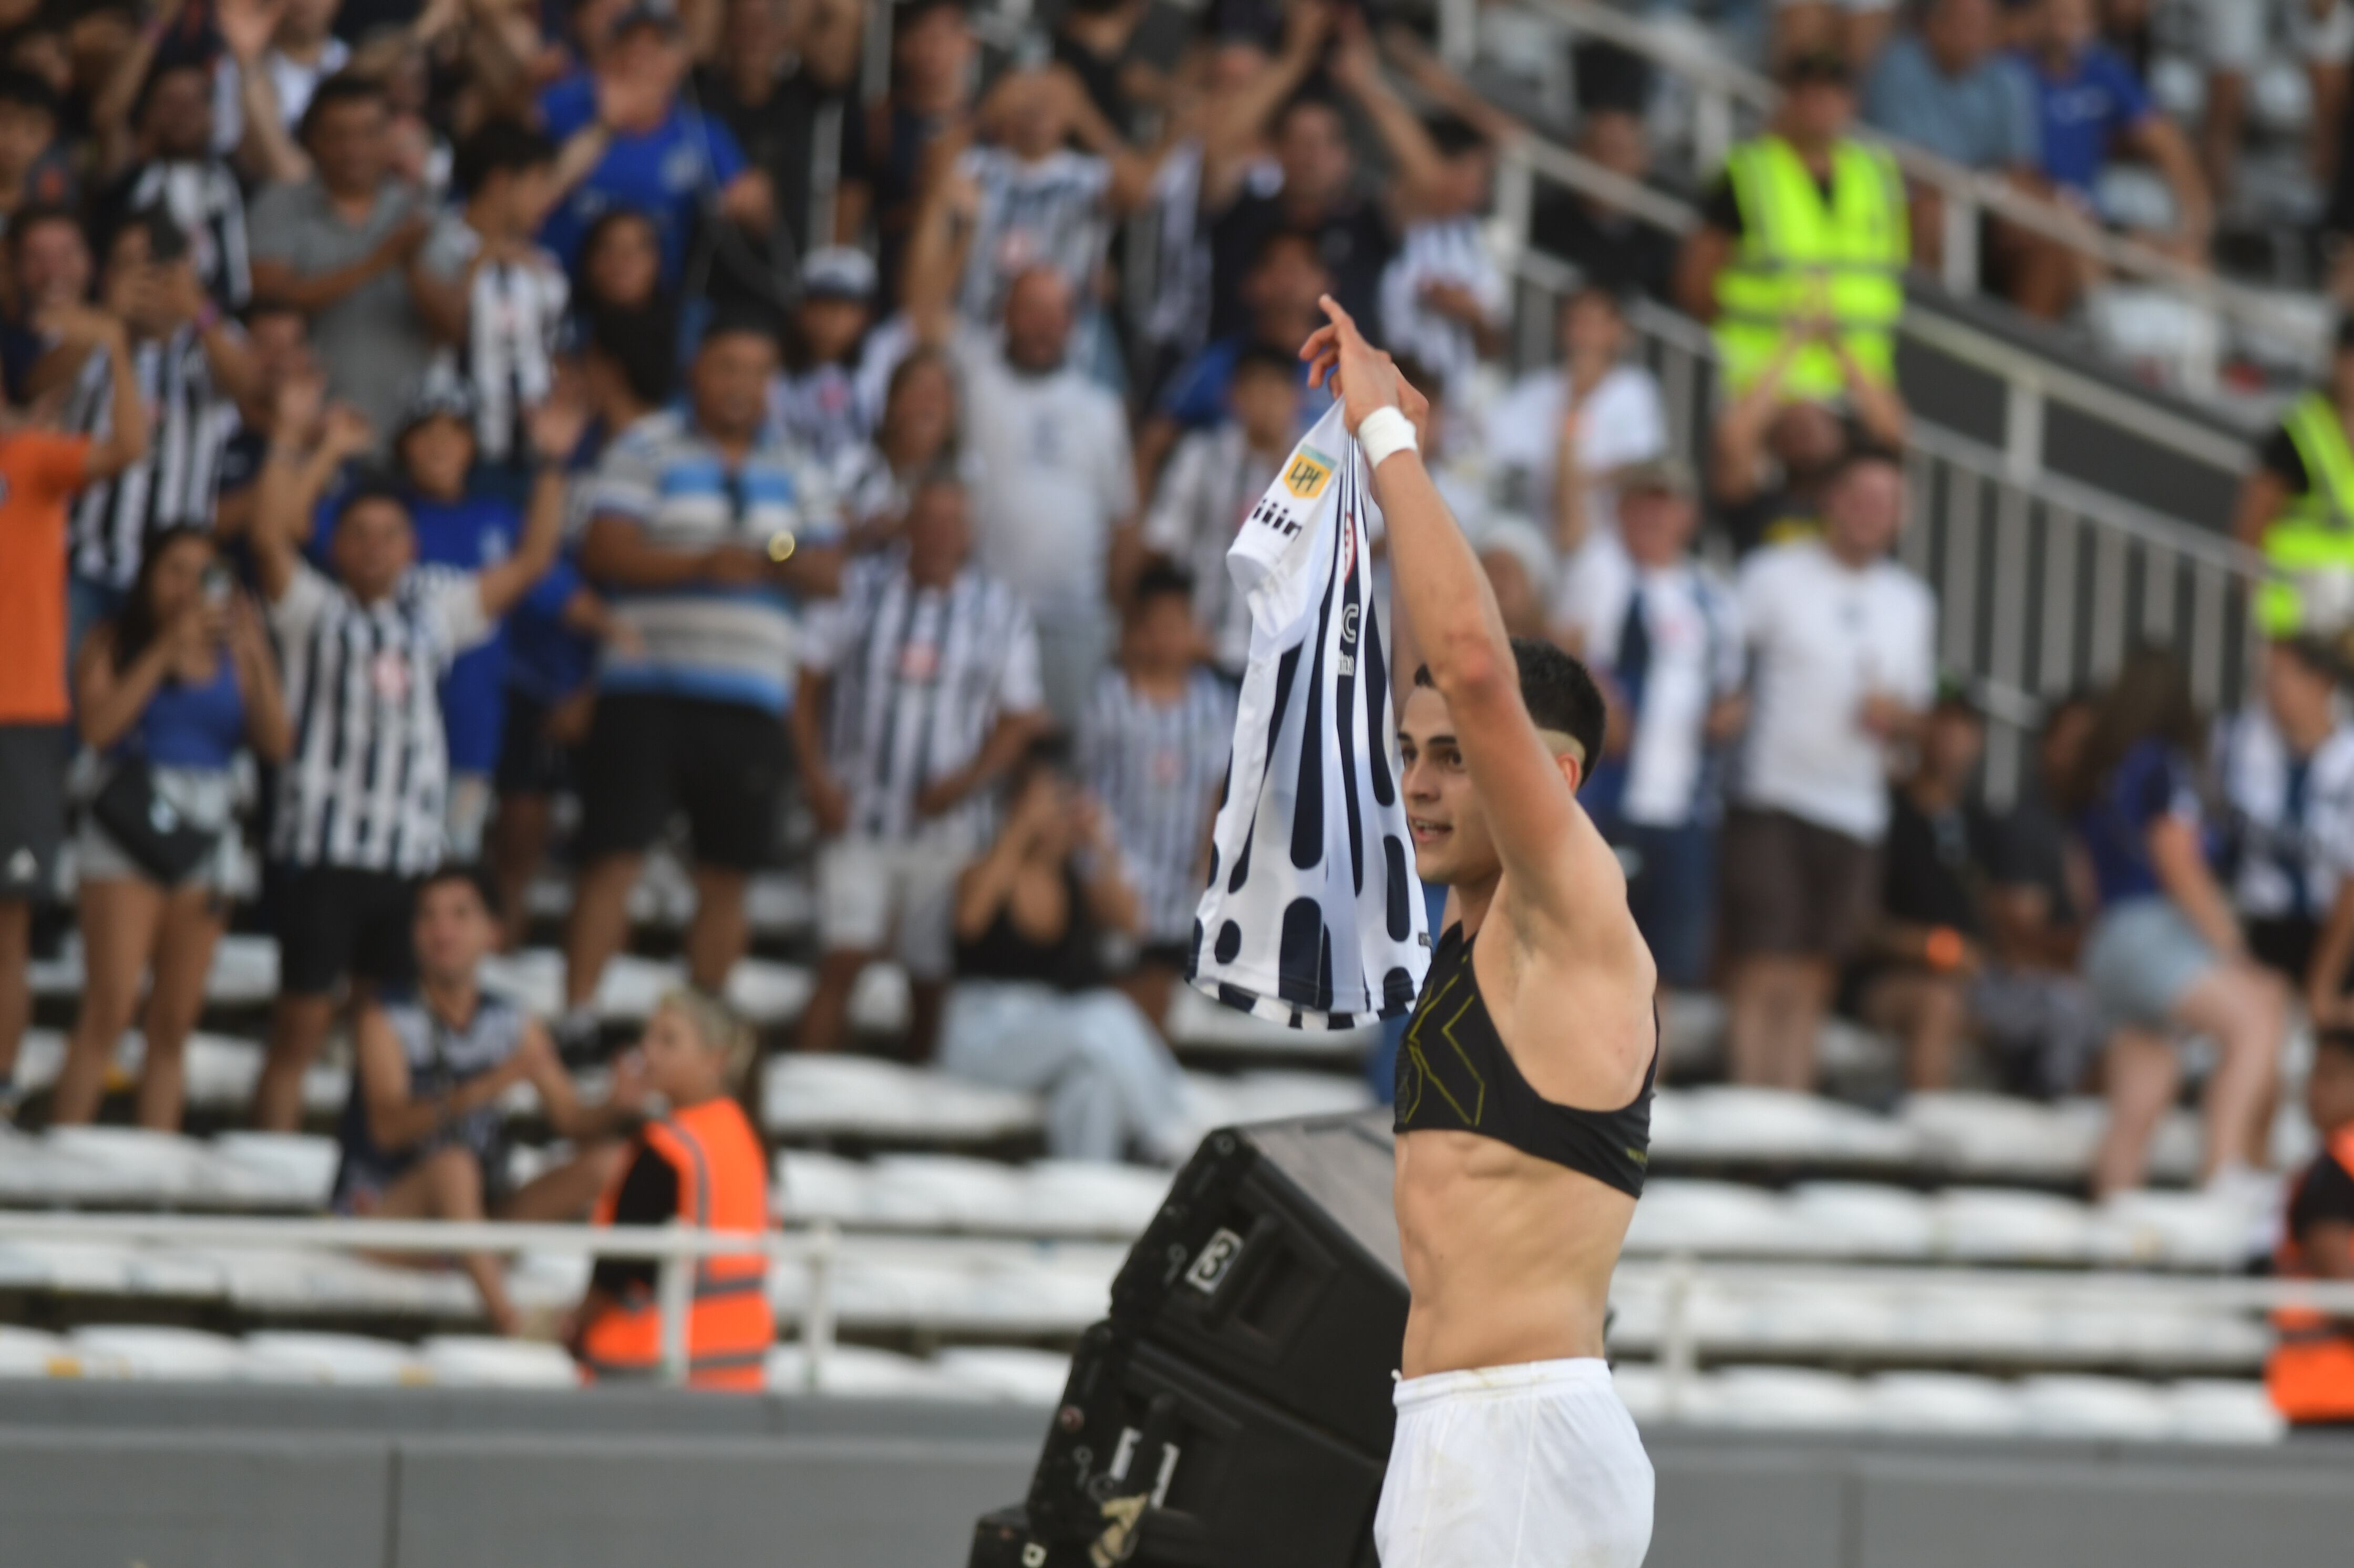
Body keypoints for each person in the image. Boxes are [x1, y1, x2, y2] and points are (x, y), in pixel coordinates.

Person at [1298, 297, 1653, 1567]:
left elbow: (1472, 661)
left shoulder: (1573, 909)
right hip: (1453, 1432)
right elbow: (1439, 652)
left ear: (1549, 781)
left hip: (1519, 1437)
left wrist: (1390, 429)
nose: (1421, 782)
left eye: (1457, 760)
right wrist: (1403, 485)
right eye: (1410, 756)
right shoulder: (1480, 933)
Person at [244, 375, 574, 1130]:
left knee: (381, 1031)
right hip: (326, 851)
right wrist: (299, 446)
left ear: (411, 547)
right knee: (298, 1026)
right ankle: (267, 1167)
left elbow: (528, 563)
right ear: (336, 543)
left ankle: (362, 1160)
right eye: (359, 535)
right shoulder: (312, 611)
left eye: (389, 536)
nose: (373, 548)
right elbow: (266, 538)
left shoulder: (436, 617)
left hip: (409, 860)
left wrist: (552, 464)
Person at [561, 312, 844, 1052]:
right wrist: (696, 564)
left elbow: (830, 569)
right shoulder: (646, 444)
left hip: (748, 697)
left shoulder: (798, 464)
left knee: (728, 873)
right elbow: (602, 547)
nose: (742, 386)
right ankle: (579, 1016)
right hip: (644, 685)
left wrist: (777, 559)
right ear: (697, 372)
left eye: (757, 371)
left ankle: (704, 1029)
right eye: (727, 368)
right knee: (613, 855)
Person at [790, 472, 1048, 1057]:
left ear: (968, 533)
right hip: (856, 814)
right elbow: (804, 684)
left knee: (931, 977)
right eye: (927, 519)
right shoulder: (857, 589)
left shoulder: (1001, 610)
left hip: (950, 831)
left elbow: (1019, 719)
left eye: (951, 523)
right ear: (908, 525)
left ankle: (918, 1100)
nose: (938, 534)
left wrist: (965, 782)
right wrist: (815, 781)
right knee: (842, 957)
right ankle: (802, 1094)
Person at [337, 864, 644, 1333]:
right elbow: (388, 1127)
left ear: (493, 933)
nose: (443, 930)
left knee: (615, 1162)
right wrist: (491, 1084)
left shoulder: (511, 1018)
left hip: (478, 1215)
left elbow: (571, 1118)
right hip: (387, 1216)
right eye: (429, 916)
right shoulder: (384, 1015)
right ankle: (513, 1323)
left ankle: (602, 1316)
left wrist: (614, 1103)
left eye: (460, 915)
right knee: (454, 1165)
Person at [53, 527, 289, 1128]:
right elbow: (99, 729)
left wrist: (255, 651)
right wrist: (165, 647)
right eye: (175, 570)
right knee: (110, 1006)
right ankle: (63, 1156)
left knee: (175, 1019)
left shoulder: (236, 650)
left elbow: (277, 741)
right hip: (128, 824)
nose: (189, 586)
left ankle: (154, 1166)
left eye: (204, 572)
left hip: (208, 832)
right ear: (149, 577)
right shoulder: (115, 639)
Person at [1722, 446, 1937, 1090]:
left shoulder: (1911, 601)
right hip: (1771, 790)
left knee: (1816, 971)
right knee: (1764, 961)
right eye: (1859, 496)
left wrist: (1895, 720)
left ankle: (1784, 1127)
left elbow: (1917, 714)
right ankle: (1749, 1118)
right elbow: (1725, 671)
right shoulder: (1770, 573)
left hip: (1856, 805)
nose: (1870, 512)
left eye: (1885, 502)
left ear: (1901, 516)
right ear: (1829, 500)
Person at [0, 300, 151, 1121]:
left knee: (8, 929)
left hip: (20, 714)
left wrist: (117, 347)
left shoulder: (29, 459)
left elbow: (130, 447)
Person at [2063, 648, 2287, 1197]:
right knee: (2259, 1019)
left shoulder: (2095, 772)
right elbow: (2176, 859)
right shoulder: (2162, 762)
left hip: (2107, 940)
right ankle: (2222, 1170)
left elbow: (2083, 882)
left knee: (2138, 1105)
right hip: (2151, 929)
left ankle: (2113, 1237)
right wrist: (2231, 950)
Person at [902, 242, 1134, 727]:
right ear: (1006, 312)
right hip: (980, 615)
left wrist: (1118, 619)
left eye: (1056, 313)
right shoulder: (971, 379)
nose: (1043, 325)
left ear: (1073, 323)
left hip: (1074, 621)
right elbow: (922, 312)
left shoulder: (1102, 409)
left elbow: (1122, 524)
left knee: (1065, 763)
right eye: (1031, 310)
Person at [941, 740, 1190, 1163]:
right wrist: (1019, 827)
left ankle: (1089, 1198)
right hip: (982, 1035)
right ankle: (1171, 1133)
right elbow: (969, 922)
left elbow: (1134, 924)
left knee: (1095, 1083)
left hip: (1048, 1029)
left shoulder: (1076, 878)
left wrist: (1100, 843)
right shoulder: (986, 867)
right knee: (1105, 1015)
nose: (1056, 810)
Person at [1553, 457, 1744, 992]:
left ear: (1689, 514)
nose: (1654, 516)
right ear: (1621, 509)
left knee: (1662, 964)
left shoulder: (1712, 595)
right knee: (1583, 952)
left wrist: (1726, 714)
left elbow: (1732, 688)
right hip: (1606, 797)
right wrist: (1599, 702)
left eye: (1666, 504)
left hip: (1684, 805)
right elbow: (1568, 646)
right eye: (1643, 502)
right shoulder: (1601, 568)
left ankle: (1648, 1072)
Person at [64, 207, 256, 652]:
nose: (150, 279)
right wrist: (110, 321)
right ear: (107, 272)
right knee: (71, 709)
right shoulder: (85, 335)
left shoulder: (211, 341)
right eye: (133, 264)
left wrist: (198, 309)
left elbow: (251, 388)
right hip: (87, 565)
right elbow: (38, 386)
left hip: (183, 583)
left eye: (163, 264)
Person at [1679, 50, 1909, 406]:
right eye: (1811, 93)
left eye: (1834, 93)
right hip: (1767, 379)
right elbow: (1696, 281)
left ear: (1851, 103)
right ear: (1789, 100)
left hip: (1860, 382)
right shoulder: (1749, 172)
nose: (1822, 106)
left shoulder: (1877, 175)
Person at [574, 988, 775, 1389]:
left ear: (716, 1058)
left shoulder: (667, 1148)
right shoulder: (744, 1135)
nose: (649, 1051)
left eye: (668, 1040)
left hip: (649, 1362)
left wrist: (571, 1325)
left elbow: (617, 1271)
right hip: (739, 1363)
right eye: (647, 1036)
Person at [1080, 564, 1235, 1029]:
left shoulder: (1215, 705)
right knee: (1123, 989)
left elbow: (1218, 794)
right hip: (1119, 872)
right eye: (1157, 627)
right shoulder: (1110, 699)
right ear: (1138, 633)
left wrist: (1208, 879)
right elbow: (1087, 790)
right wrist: (1107, 868)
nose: (1167, 639)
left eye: (1177, 626)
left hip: (1182, 877)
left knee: (1160, 994)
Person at [248, 71, 435, 449]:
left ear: (390, 136)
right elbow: (270, 302)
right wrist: (379, 261)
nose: (354, 149)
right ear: (313, 140)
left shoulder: (419, 210)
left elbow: (456, 325)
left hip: (410, 436)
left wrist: (412, 265)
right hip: (310, 431)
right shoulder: (279, 205)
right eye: (338, 135)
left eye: (369, 132)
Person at [537, 3, 771, 285]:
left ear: (680, 61)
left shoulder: (699, 132)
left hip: (658, 304)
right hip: (560, 284)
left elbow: (758, 218)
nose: (640, 56)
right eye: (630, 42)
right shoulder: (563, 105)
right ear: (609, 53)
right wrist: (603, 127)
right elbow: (530, 202)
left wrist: (753, 202)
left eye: (657, 45)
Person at [1846, 689, 1991, 1091]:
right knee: (1939, 1003)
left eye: (1964, 732)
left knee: (2058, 1012)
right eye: (1942, 727)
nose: (1951, 743)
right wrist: (1939, 949)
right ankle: (1931, 1144)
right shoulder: (1883, 812)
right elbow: (1861, 924)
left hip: (1976, 983)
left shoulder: (1980, 823)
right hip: (1885, 979)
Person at [411, 118, 569, 474]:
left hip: (528, 450)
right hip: (452, 454)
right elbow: (443, 328)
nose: (551, 199)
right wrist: (481, 261)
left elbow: (556, 353)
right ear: (500, 182)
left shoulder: (543, 264)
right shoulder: (435, 245)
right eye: (540, 183)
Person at [1139, 341, 1301, 680]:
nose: (1268, 402)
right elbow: (1161, 545)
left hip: (1286, 661)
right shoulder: (1200, 457)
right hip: (1203, 652)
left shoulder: (1313, 473)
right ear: (1233, 396)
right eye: (1257, 388)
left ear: (1296, 399)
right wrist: (1176, 629)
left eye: (1278, 389)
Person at [2012, 0, 2211, 272]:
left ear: (2090, 24)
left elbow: (2167, 144)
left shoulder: (2103, 72)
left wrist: (2196, 222)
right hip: (2032, 215)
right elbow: (2010, 168)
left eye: (2072, 18)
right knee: (2068, 245)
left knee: (2184, 261)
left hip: (2092, 215)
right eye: (2054, 15)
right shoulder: (2013, 74)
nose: (2061, 27)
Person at [1860, 0, 2051, 281]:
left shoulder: (2006, 78)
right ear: (1934, 25)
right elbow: (1908, 163)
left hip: (1983, 199)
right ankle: (1922, 316)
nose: (1973, 35)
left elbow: (2020, 165)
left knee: (2048, 220)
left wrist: (2004, 191)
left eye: (1982, 26)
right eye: (1963, 23)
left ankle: (2029, 325)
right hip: (1912, 195)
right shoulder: (1898, 65)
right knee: (1934, 211)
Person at [1484, 284, 1666, 570]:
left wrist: (1574, 417)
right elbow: (1501, 456)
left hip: (1610, 543)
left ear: (1618, 331)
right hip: (1534, 534)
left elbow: (1642, 466)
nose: (1583, 335)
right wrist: (1572, 410)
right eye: (1576, 322)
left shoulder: (1636, 390)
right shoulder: (1535, 390)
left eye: (1594, 323)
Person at [2215, 637, 2354, 987]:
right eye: (2265, 675)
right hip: (2254, 928)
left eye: (2282, 674)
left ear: (2323, 682)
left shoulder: (2348, 758)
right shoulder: (2236, 743)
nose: (2270, 687)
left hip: (2335, 933)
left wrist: (2322, 983)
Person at [688, 0, 860, 262]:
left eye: (767, 25)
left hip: (787, 275)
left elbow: (848, 14)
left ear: (786, 33)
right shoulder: (702, 92)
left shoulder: (803, 93)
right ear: (726, 31)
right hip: (705, 272)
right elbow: (693, 30)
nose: (755, 36)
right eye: (743, 26)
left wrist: (793, 17)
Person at [2230, 319, 2354, 638]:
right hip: (2294, 618)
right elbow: (2251, 522)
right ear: (2337, 361)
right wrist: (2253, 597)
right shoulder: (2299, 431)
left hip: (2343, 625)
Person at [2266, 1026, 2354, 1427]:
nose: (2314, 1091)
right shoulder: (2332, 1169)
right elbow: (2343, 1290)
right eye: (2312, 1076)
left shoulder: (2336, 1169)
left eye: (2331, 1075)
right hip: (2331, 1397)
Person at [1529, 109, 1679, 306]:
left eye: (1619, 151)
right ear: (1580, 151)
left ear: (1644, 160)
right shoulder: (1544, 224)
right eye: (1598, 149)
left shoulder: (1660, 242)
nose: (1608, 163)